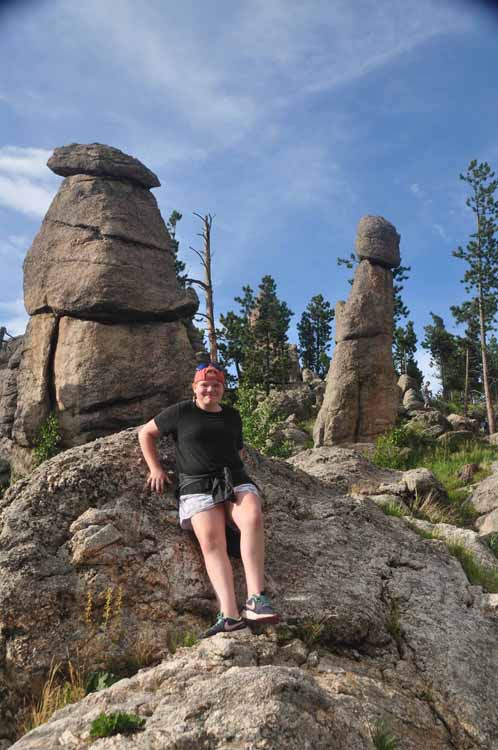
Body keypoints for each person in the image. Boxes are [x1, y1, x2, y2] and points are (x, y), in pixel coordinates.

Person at [138, 362, 279, 638]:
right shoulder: (181, 412)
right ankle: (229, 615)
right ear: (195, 388)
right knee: (213, 543)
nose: (210, 389)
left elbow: (237, 452)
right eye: (204, 384)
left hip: (234, 480)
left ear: (222, 389)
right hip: (197, 485)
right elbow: (146, 433)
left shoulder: (233, 416)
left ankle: (255, 600)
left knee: (252, 515)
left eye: (216, 385)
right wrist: (155, 467)